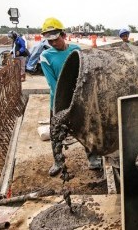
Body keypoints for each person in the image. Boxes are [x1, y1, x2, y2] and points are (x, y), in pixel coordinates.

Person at [40, 17, 82, 176]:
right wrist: (65, 100)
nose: (53, 43)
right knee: (56, 132)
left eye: (55, 39)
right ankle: (58, 162)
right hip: (58, 100)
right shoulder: (45, 56)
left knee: (87, 128)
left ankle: (93, 159)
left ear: (63, 35)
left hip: (79, 98)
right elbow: (53, 84)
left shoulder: (76, 50)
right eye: (49, 41)